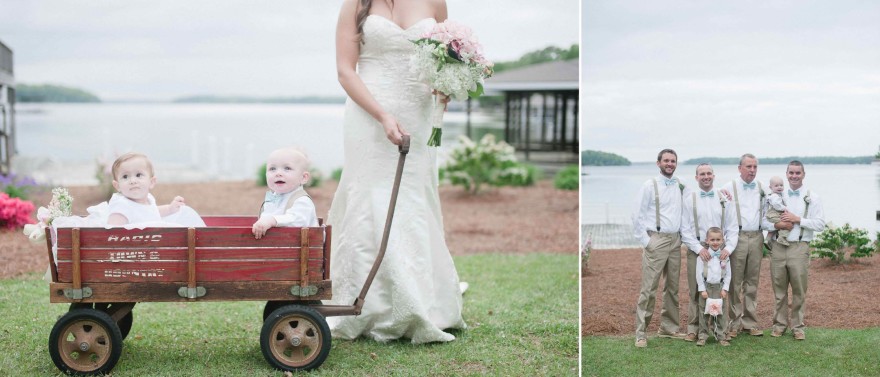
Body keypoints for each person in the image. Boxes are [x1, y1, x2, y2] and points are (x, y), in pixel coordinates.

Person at [325, 0, 466, 344]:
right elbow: (346, 71)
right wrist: (383, 116)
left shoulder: (435, 1)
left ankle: (417, 301)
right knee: (367, 199)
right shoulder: (357, 4)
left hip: (418, 113)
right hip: (368, 113)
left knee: (413, 201)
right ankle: (363, 304)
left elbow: (445, 55)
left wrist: (446, 84)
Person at [631, 148, 686, 348]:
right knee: (649, 288)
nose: (670, 164)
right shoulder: (649, 185)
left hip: (675, 242)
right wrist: (646, 242)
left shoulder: (680, 185)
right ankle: (641, 332)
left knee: (672, 288)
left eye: (673, 161)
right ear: (658, 163)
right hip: (656, 240)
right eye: (666, 160)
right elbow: (636, 214)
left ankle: (668, 328)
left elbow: (691, 206)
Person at [765, 161, 824, 340]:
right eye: (791, 173)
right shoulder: (777, 196)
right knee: (779, 290)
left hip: (799, 247)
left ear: (803, 174)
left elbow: (820, 224)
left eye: (798, 173)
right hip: (778, 247)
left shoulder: (812, 197)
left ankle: (798, 327)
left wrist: (798, 219)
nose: (794, 176)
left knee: (799, 290)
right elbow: (764, 221)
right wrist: (780, 224)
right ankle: (779, 325)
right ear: (787, 173)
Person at [679, 163, 738, 342]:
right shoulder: (690, 199)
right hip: (697, 250)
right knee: (696, 289)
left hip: (721, 253)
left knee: (720, 289)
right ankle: (694, 328)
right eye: (702, 174)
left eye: (709, 173)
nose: (706, 176)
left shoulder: (724, 198)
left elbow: (732, 227)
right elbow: (685, 229)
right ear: (696, 177)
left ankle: (720, 328)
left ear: (714, 176)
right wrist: (699, 249)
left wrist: (727, 249)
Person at [720, 153, 765, 338]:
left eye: (755, 167)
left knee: (752, 282)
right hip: (736, 238)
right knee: (734, 281)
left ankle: (750, 322)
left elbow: (769, 211)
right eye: (748, 167)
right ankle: (734, 322)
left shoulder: (762, 188)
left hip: (756, 237)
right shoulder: (727, 188)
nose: (752, 170)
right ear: (740, 168)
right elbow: (718, 210)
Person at [106, 152, 197, 226]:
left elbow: (150, 212)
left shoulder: (148, 199)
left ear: (151, 182)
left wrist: (170, 209)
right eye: (125, 176)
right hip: (133, 247)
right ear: (117, 186)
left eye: (138, 175)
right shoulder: (122, 206)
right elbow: (113, 233)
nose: (132, 181)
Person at [252, 148, 319, 239]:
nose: (278, 173)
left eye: (287, 168)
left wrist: (272, 220)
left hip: (301, 249)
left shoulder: (302, 200)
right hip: (279, 247)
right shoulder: (272, 199)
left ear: (303, 177)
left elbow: (298, 220)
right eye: (272, 169)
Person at [695, 227, 732, 346]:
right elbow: (698, 274)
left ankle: (721, 336)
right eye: (712, 240)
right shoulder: (702, 257)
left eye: (718, 240)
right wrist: (702, 289)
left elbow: (728, 274)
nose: (715, 242)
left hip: (719, 288)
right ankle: (702, 336)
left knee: (720, 312)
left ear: (722, 241)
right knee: (704, 313)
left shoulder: (725, 257)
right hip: (706, 288)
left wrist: (725, 288)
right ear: (707, 241)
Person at [764, 176, 790, 246]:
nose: (779, 187)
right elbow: (777, 206)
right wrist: (785, 208)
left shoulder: (779, 195)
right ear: (770, 187)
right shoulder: (774, 196)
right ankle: (782, 237)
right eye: (776, 186)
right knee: (786, 223)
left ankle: (768, 239)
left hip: (772, 214)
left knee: (774, 227)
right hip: (774, 214)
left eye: (781, 185)